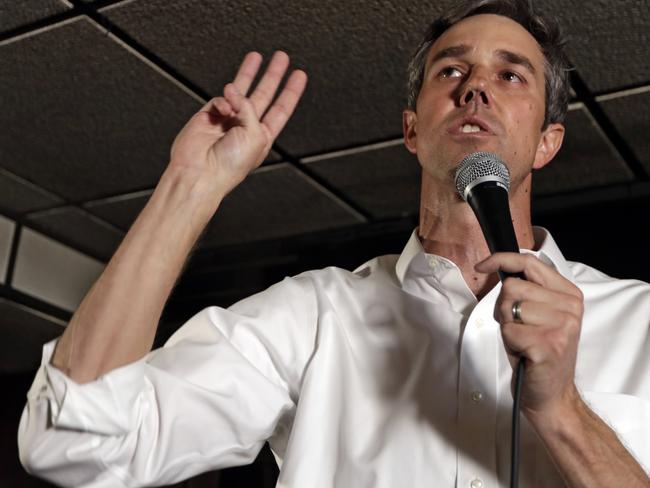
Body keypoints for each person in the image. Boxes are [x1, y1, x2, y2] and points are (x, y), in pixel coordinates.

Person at [18, 0, 650, 487]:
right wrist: (189, 187)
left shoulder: (638, 319)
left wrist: (564, 410)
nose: (474, 88)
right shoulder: (314, 316)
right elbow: (73, 444)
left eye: (511, 76)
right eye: (452, 69)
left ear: (548, 142)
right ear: (411, 130)